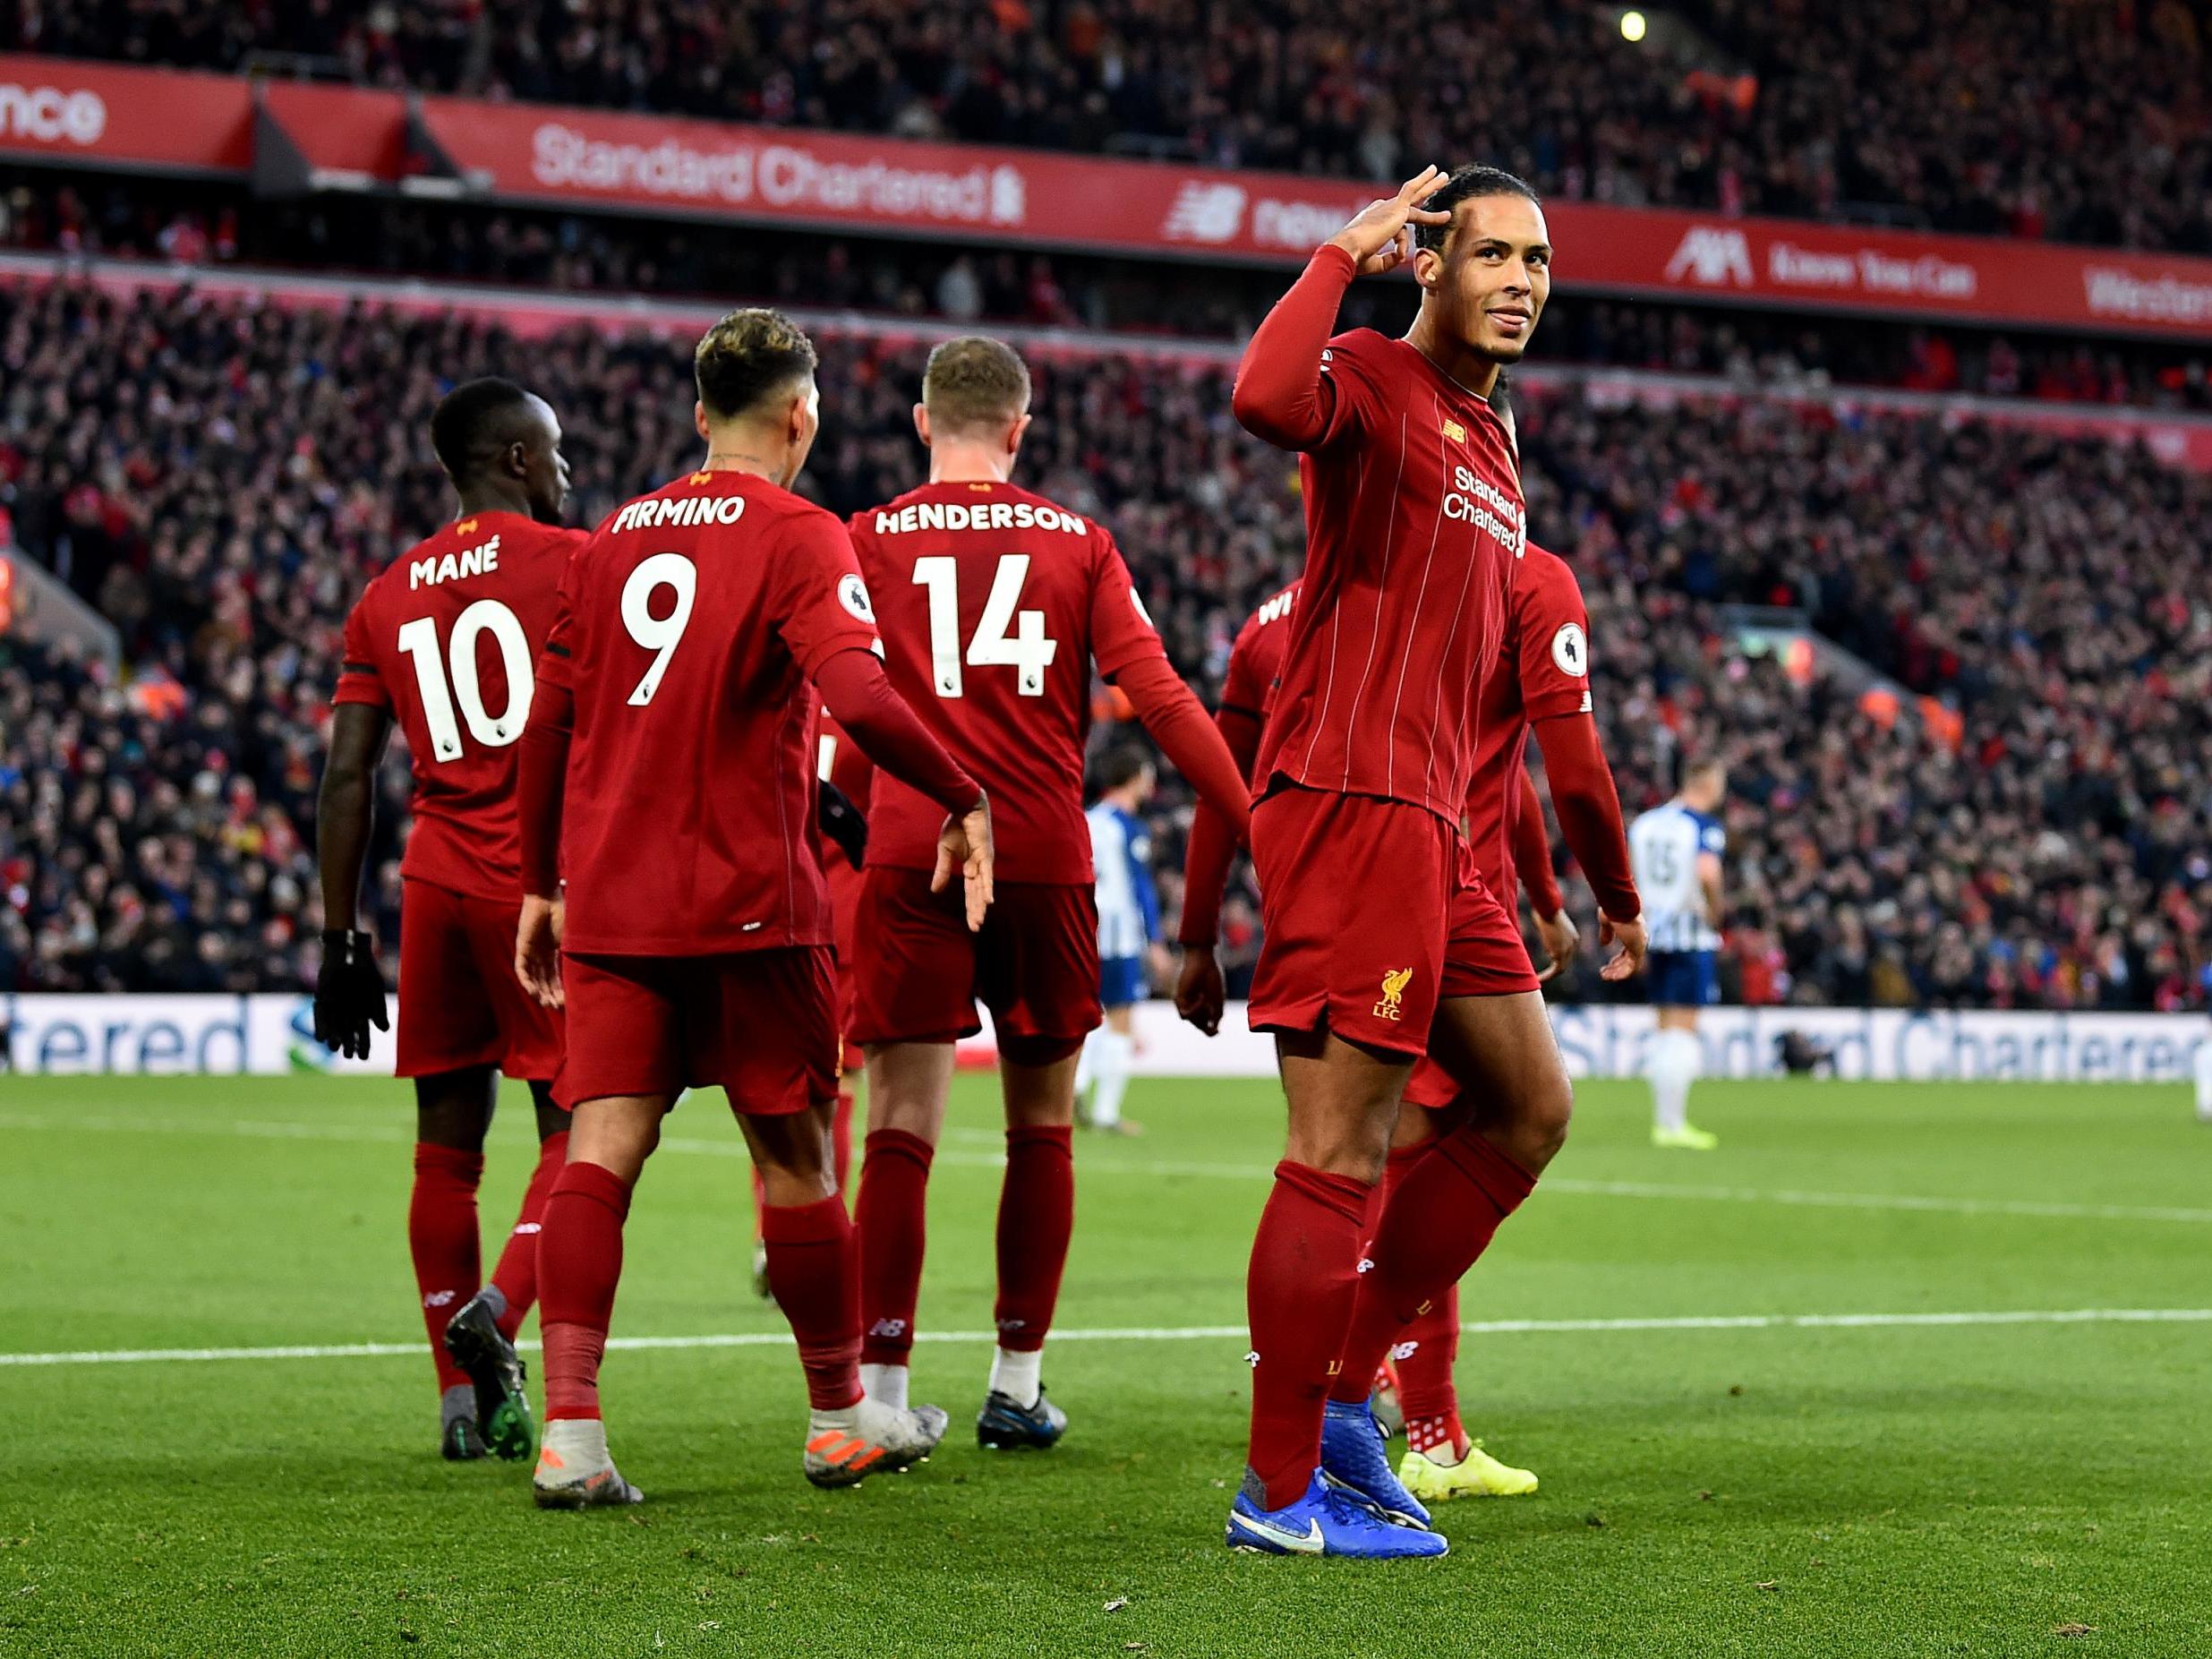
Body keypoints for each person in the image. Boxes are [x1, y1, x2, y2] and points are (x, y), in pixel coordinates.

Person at [508, 309, 995, 1507]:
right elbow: (859, 695)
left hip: (613, 903)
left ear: (695, 415)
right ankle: (839, 1418)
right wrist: (960, 787)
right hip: (748, 904)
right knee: (790, 1158)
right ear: (800, 416)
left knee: (598, 1148)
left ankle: (570, 1434)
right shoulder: (798, 532)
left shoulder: (611, 536)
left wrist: (536, 880)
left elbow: (548, 722)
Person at [1221, 162, 1565, 1559]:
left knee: (1528, 1108)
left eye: (1537, 261)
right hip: (1351, 797)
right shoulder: (1366, 368)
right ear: (1434, 267)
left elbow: (1483, 689)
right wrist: (1332, 260)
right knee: (1339, 1148)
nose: (1521, 282)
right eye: (1492, 255)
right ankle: (1278, 1490)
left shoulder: (1491, 446)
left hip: (1441, 829)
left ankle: (1346, 1393)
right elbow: (1259, 399)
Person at [844, 336, 1251, 1450]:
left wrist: (841, 830)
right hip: (1038, 858)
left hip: (905, 855)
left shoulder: (864, 536)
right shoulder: (1079, 543)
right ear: (1019, 431)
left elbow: (842, 711)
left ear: (923, 425)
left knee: (897, 1131)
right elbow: (1161, 697)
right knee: (1041, 1132)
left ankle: (878, 1394)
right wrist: (1257, 818)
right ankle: (1015, 1385)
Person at [316, 377, 583, 1464]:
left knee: (444, 1149)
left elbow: (346, 776)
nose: (565, 469)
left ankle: (458, 1405)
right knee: (580, 1126)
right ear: (516, 457)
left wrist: (341, 936)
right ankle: (500, 1312)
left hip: (430, 879)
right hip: (540, 884)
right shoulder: (574, 564)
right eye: (554, 451)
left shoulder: (385, 592)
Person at [1629, 760, 1729, 1149]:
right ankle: (1673, 1125)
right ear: (1710, 781)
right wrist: (1716, 912)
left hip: (1653, 935)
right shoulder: (1701, 826)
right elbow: (1707, 873)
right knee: (1683, 1033)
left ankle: (1663, 1122)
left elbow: (1630, 877)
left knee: (1663, 1029)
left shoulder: (1646, 825)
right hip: (1690, 936)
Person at [1077, 746, 1166, 1137]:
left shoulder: (1086, 819)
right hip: (1118, 932)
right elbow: (1139, 886)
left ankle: (1076, 1087)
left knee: (1090, 1014)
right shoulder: (1127, 827)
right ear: (1134, 778)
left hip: (1084, 927)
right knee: (1121, 1016)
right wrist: (1156, 940)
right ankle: (1104, 1111)